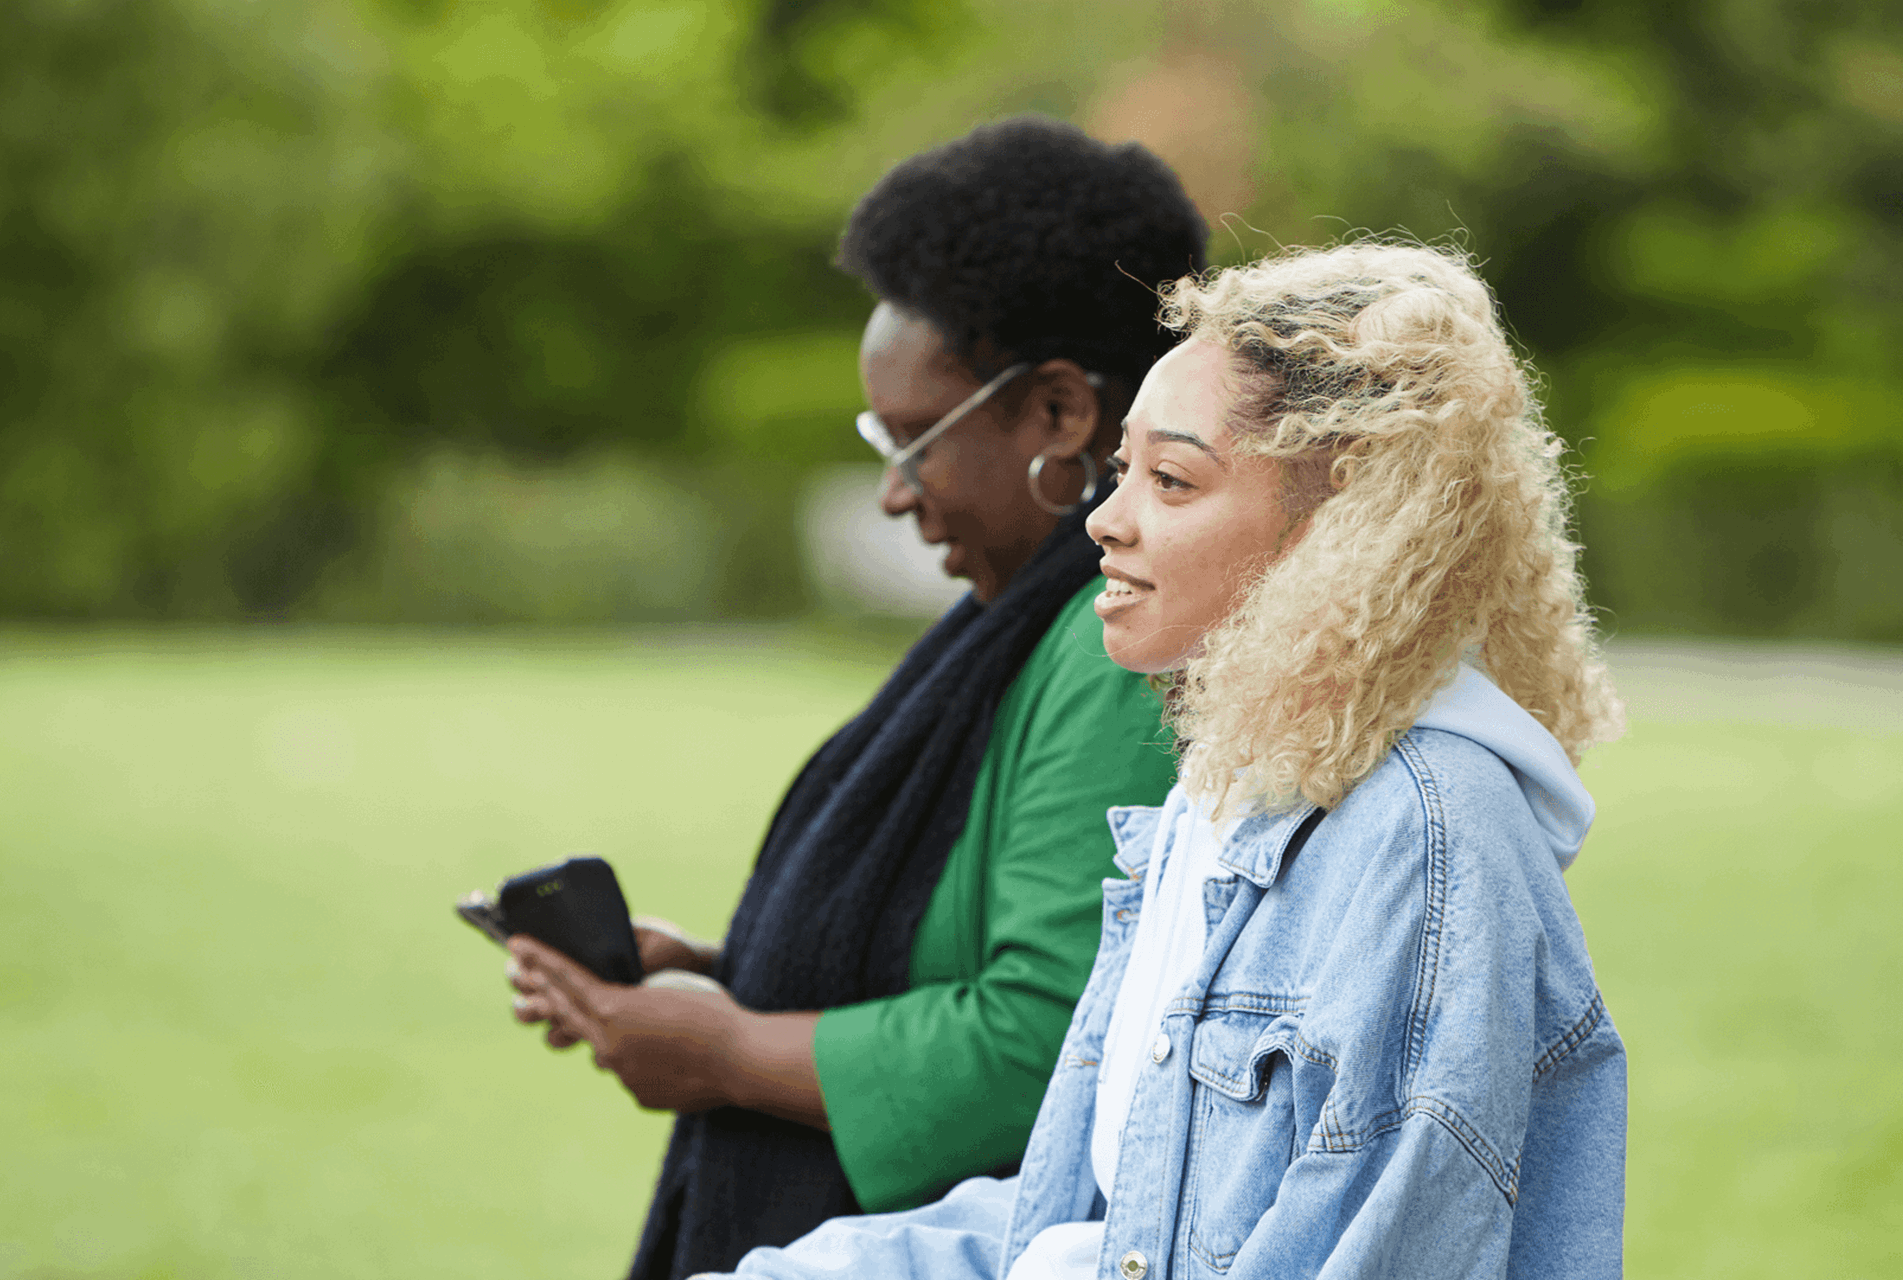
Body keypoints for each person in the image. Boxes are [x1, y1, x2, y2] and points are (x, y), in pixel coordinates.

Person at [697, 240, 1630, 1280]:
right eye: (1120, 469)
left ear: (1346, 521)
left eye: (1174, 480)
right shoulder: (1230, 790)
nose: (1106, 518)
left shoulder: (1425, 836)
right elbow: (1117, 1211)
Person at [505, 116, 1211, 1280]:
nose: (895, 494)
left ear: (1058, 414)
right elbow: (945, 940)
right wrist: (732, 969)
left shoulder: (1111, 645)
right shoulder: (1011, 621)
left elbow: (1049, 1039)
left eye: (912, 440)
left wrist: (732, 1049)